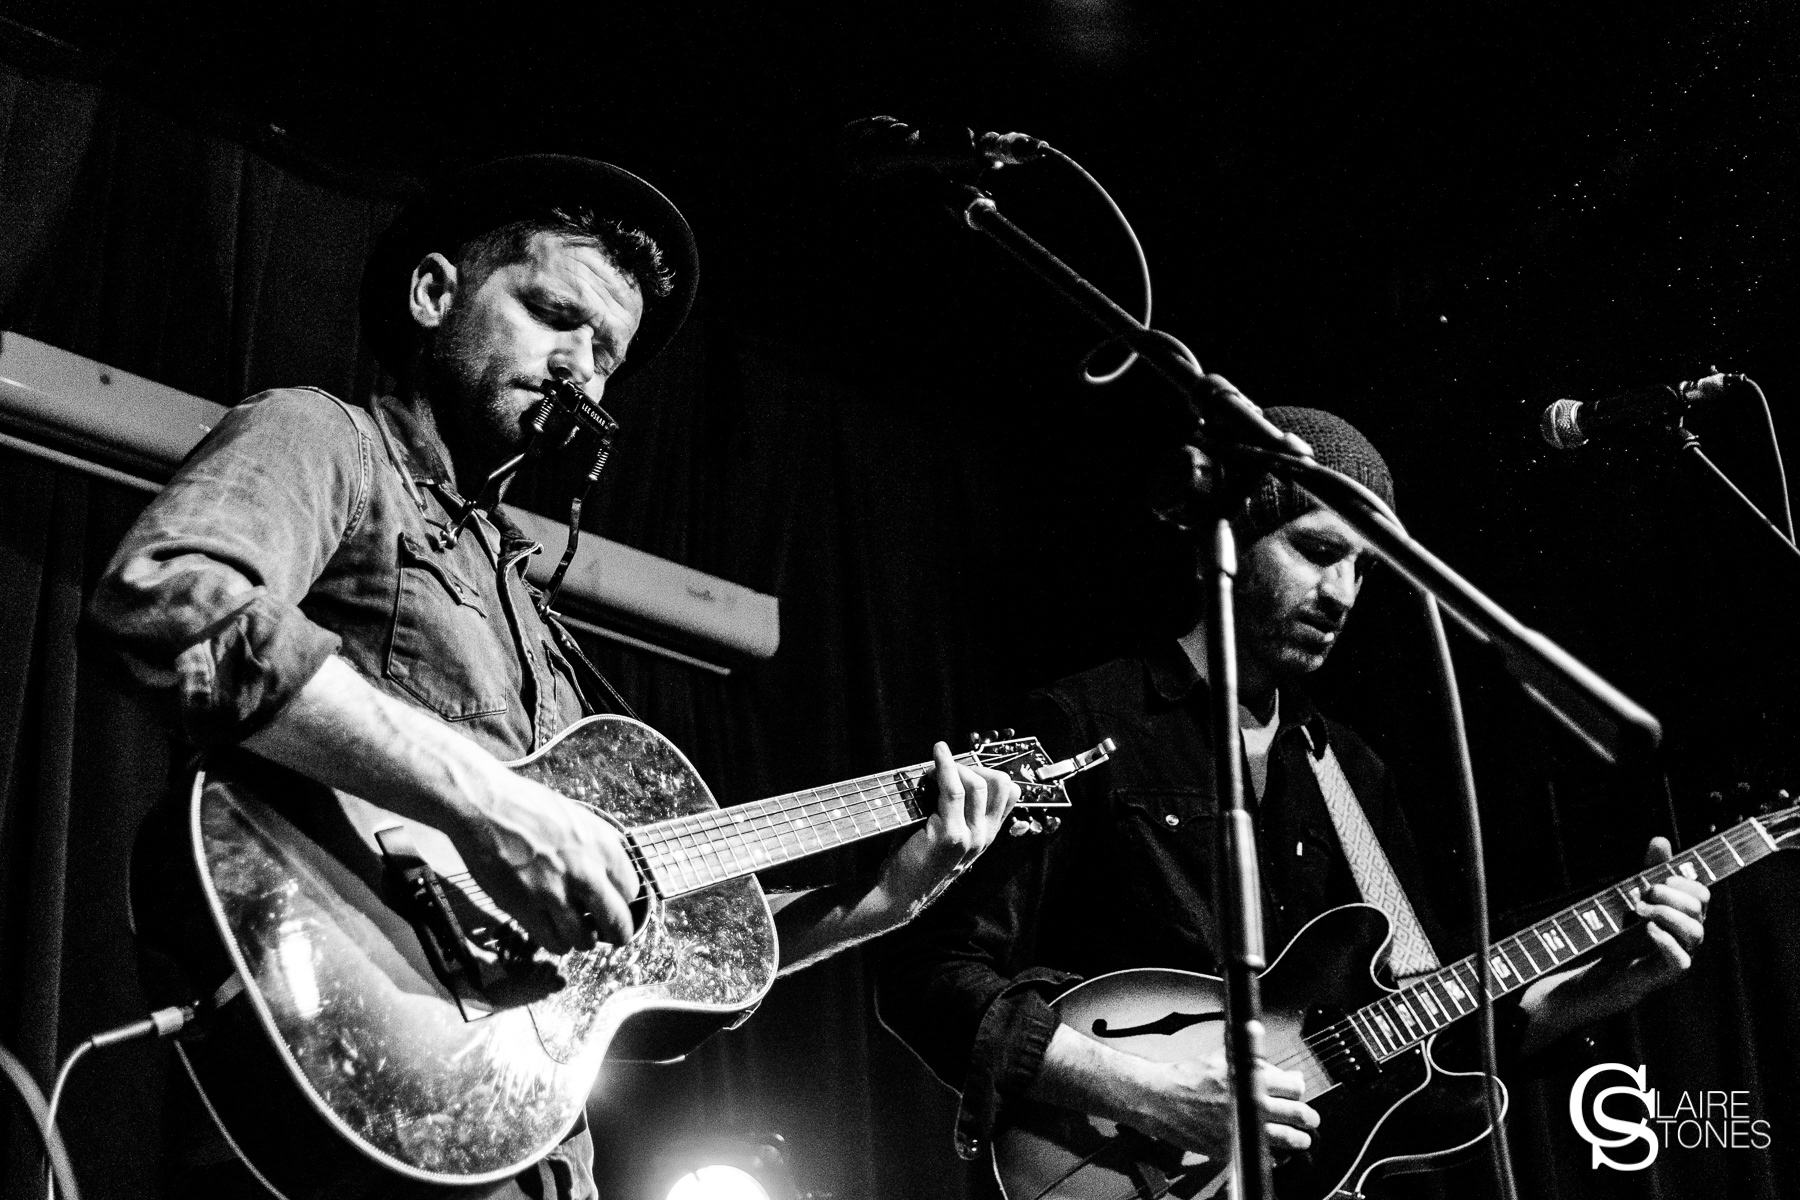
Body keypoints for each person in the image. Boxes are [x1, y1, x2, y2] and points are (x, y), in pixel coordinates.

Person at [90, 155, 1019, 1198]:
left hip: (530, 1152)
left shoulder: (531, 612)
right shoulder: (328, 439)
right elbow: (173, 600)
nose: (581, 367)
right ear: (433, 293)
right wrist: (494, 807)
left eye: (607, 353)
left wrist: (887, 900)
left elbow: (644, 959)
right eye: (551, 315)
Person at [875, 395, 1709, 1181]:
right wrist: (1145, 1092)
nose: (1342, 594)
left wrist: (1599, 988)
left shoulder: (1352, 773)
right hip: (1119, 1170)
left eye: (1362, 567)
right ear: (1229, 543)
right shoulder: (1085, 724)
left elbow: (1427, 1025)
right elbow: (929, 973)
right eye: (1316, 551)